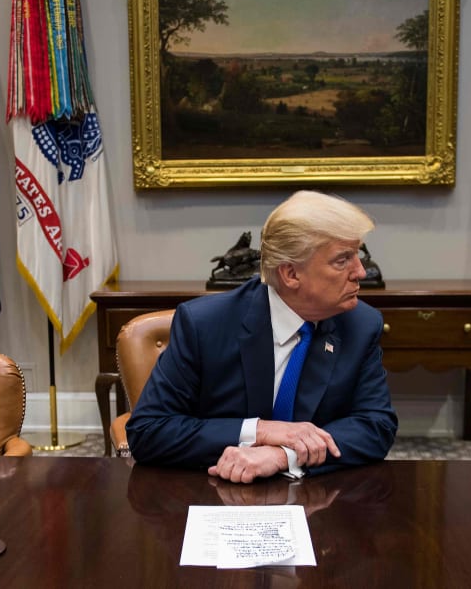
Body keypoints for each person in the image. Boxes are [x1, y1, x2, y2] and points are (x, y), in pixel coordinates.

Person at [126, 190, 398, 483]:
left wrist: (283, 455)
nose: (360, 271)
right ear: (291, 274)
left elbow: (376, 426)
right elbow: (149, 431)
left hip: (317, 500)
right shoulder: (205, 325)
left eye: (357, 254)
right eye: (342, 260)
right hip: (215, 492)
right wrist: (261, 431)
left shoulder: (360, 323)